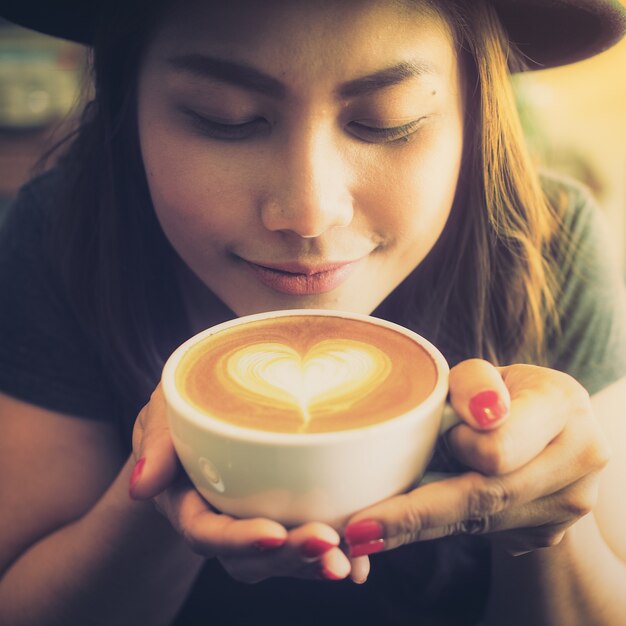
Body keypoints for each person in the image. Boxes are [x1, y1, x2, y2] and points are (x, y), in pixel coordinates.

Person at [1, 0, 626, 624]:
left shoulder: (549, 250)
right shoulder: (58, 235)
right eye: (225, 118)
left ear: (474, 109)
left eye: (387, 122)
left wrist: (543, 522)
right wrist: (171, 482)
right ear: (125, 102)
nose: (309, 211)